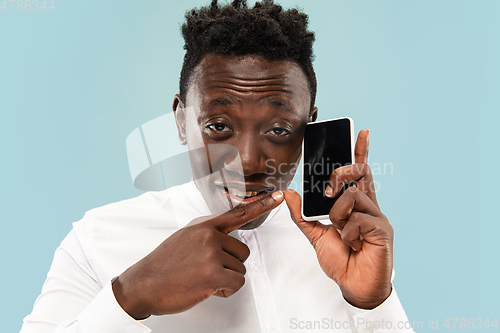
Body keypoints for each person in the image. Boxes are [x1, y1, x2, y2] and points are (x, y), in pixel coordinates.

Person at [21, 1, 415, 332]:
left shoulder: (347, 243)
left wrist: (373, 304)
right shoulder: (97, 241)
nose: (246, 161)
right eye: (218, 126)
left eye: (279, 129)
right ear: (181, 121)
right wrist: (132, 295)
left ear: (309, 128)